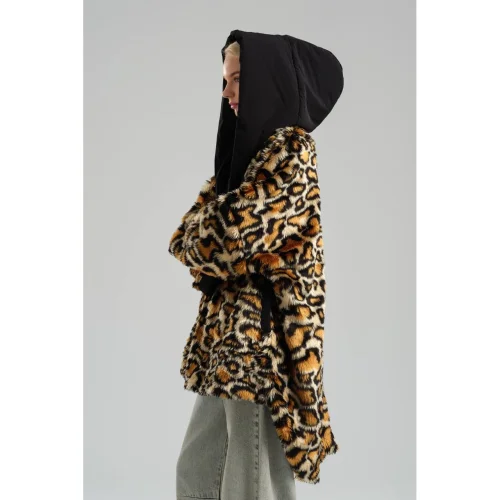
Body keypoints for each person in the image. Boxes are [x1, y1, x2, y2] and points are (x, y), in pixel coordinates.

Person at [169, 29, 344, 498]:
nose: (227, 92)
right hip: (225, 344)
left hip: (261, 348)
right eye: (225, 81)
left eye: (238, 79)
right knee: (196, 471)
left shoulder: (292, 152)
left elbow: (229, 236)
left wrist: (212, 235)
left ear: (269, 81)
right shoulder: (247, 159)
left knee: (250, 481)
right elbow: (187, 238)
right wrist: (211, 236)